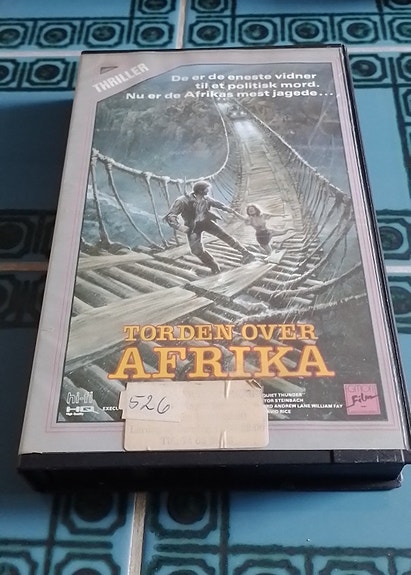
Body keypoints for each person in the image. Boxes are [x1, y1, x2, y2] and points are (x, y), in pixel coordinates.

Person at [164, 180, 255, 274]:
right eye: (206, 189)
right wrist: (179, 227)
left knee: (225, 236)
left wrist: (227, 209)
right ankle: (214, 266)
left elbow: (217, 204)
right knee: (196, 250)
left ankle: (246, 253)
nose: (208, 190)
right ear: (200, 191)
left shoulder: (206, 198)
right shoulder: (182, 201)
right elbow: (170, 216)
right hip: (193, 227)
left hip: (206, 222)